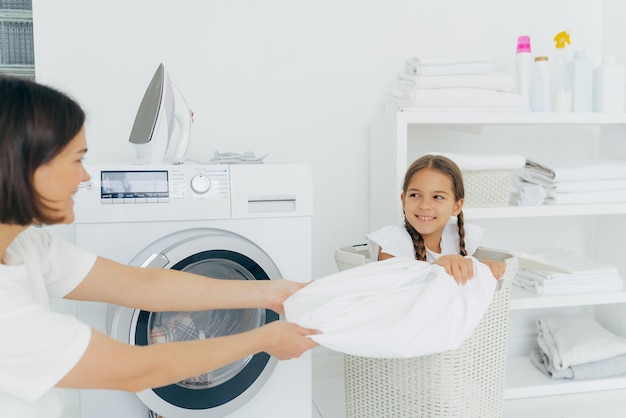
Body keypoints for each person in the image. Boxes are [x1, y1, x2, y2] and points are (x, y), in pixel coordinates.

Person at [0, 76, 319, 417]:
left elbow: (142, 284)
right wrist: (263, 340)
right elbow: (132, 369)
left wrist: (271, 293)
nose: (86, 178)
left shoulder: (25, 245)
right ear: (24, 166)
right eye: (77, 160)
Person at [367, 154, 506, 284]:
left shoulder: (457, 238)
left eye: (437, 197)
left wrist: (484, 269)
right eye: (415, 195)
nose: (425, 206)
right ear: (403, 201)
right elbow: (393, 291)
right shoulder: (394, 240)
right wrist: (438, 267)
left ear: (456, 207)